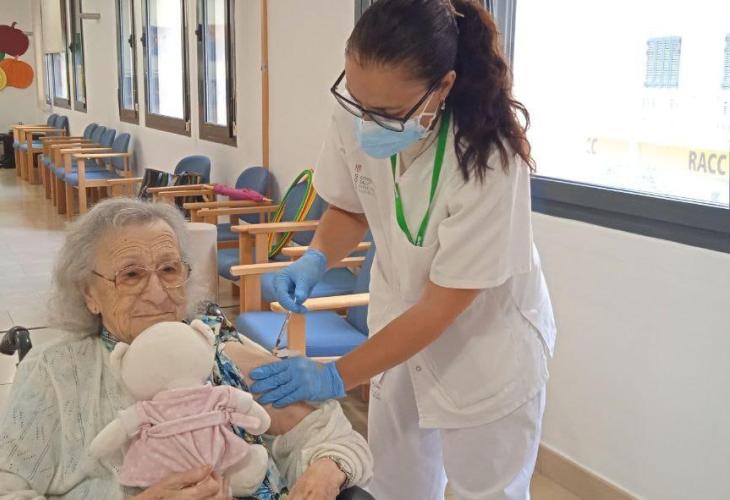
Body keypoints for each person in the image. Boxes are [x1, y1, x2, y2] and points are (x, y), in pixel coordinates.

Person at [249, 1, 556, 499]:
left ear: (443, 86)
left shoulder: (491, 159)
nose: (367, 122)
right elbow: (350, 205)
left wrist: (334, 376)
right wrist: (316, 257)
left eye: (389, 114)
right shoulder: (357, 111)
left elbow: (440, 308)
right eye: (358, 102)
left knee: (485, 491)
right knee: (394, 483)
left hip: (481, 350)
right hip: (396, 328)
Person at [0, 198, 372, 500]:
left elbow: (332, 436)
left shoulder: (218, 349)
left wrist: (325, 472)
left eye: (169, 269)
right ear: (88, 293)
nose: (157, 292)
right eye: (131, 275)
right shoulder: (54, 370)